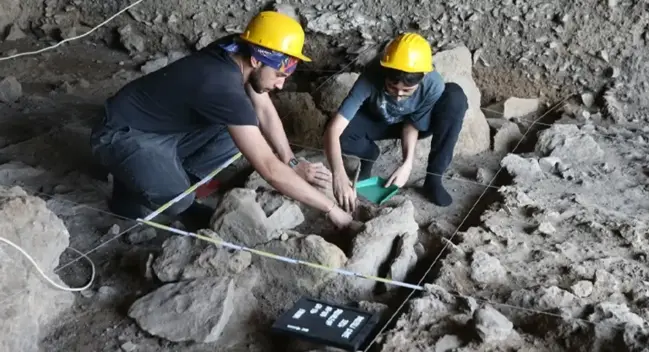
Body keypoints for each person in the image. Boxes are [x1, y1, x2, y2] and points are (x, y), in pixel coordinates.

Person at [90, 11, 354, 231]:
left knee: (240, 130)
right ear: (256, 60)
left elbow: (262, 108)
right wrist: (331, 209)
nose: (281, 84)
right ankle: (151, 191)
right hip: (121, 134)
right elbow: (269, 169)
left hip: (162, 124)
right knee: (180, 199)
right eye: (279, 74)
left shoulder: (237, 48)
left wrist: (292, 161)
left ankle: (163, 177)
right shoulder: (221, 87)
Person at [323, 32, 469, 212]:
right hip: (379, 118)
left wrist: (407, 164)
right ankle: (369, 155)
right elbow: (334, 128)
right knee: (341, 135)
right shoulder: (372, 74)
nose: (399, 96)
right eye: (392, 87)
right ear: (385, 73)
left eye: (407, 91)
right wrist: (339, 174)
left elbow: (412, 123)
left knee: (455, 97)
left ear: (422, 77)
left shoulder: (433, 84)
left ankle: (433, 179)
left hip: (413, 124)